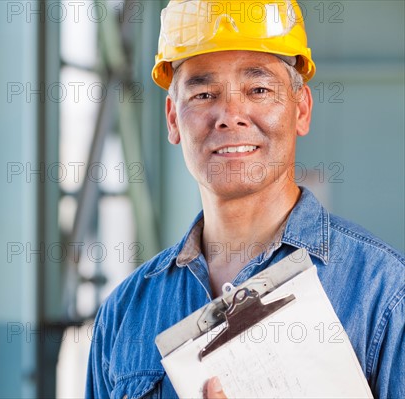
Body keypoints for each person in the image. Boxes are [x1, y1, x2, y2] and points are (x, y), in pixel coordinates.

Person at [85, 1, 404, 398]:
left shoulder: (384, 293)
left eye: (258, 89)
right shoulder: (125, 313)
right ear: (172, 118)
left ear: (301, 109)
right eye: (203, 93)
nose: (229, 115)